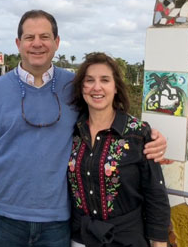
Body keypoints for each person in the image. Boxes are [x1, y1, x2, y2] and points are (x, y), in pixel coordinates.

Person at [0, 10, 167, 247]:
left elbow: (105, 115)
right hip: (2, 220)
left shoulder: (74, 86)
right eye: (29, 37)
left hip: (57, 223)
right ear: (18, 44)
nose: (37, 44)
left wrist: (150, 137)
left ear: (57, 43)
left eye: (45, 36)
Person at [68, 52, 169, 247]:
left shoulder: (138, 134)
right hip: (80, 239)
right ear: (82, 88)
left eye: (105, 80)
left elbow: (155, 194)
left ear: (115, 88)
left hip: (126, 240)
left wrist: (159, 243)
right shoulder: (73, 131)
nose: (97, 87)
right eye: (89, 81)